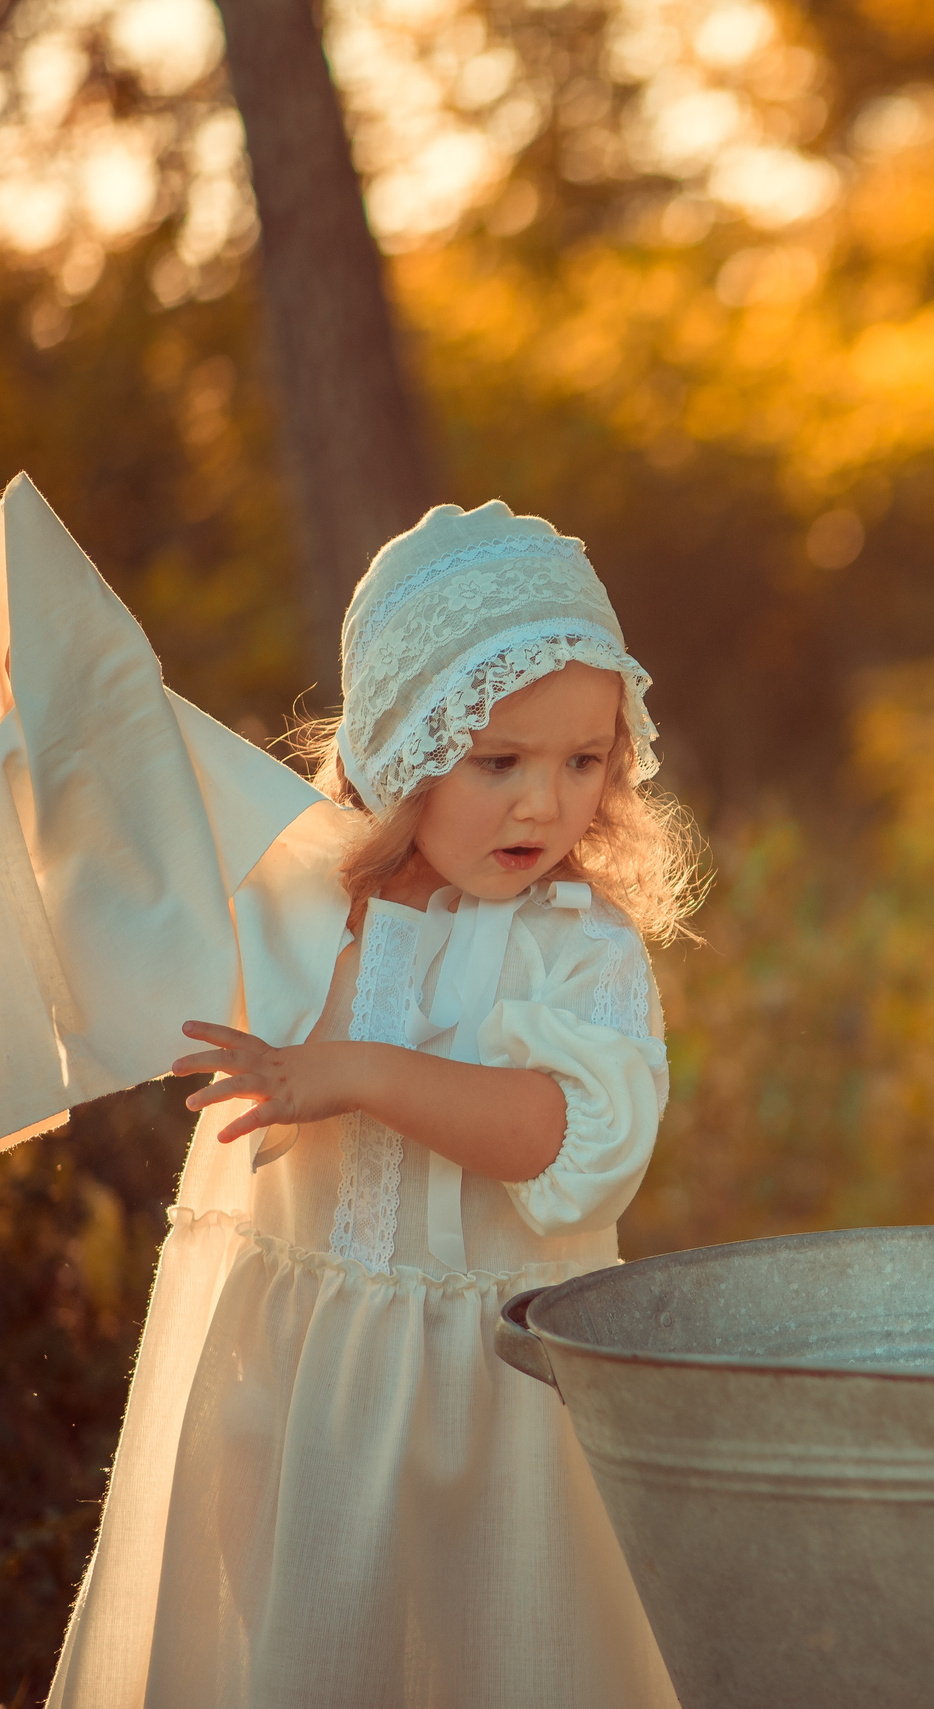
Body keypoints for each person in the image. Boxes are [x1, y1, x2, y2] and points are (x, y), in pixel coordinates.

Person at [12, 485, 694, 1707]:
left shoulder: (578, 951)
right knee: (294, 1636)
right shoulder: (315, 909)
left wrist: (359, 1073)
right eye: (498, 761)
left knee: (491, 1642)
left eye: (583, 760)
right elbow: (138, 839)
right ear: (404, 752)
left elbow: (567, 1135)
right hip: (304, 1364)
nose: (543, 800)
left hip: (491, 1381)